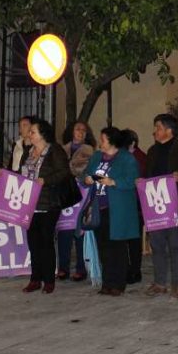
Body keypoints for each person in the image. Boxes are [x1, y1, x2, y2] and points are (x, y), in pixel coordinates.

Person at [143, 113, 178, 299]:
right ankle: (160, 282)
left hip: (174, 202)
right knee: (156, 244)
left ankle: (176, 283)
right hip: (155, 203)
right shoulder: (152, 151)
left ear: (168, 130)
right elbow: (147, 175)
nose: (155, 131)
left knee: (174, 243)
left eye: (157, 127)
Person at [81, 126, 140, 296]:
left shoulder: (126, 158)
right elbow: (86, 174)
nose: (101, 142)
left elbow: (132, 180)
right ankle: (107, 282)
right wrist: (87, 179)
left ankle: (118, 284)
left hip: (118, 209)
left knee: (117, 246)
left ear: (112, 141)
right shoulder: (97, 157)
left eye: (103, 139)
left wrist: (113, 182)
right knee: (103, 246)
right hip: (98, 208)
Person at [20, 119, 71, 293]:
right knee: (33, 242)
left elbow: (64, 172)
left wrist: (46, 180)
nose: (29, 134)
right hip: (29, 203)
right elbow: (21, 172)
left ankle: (49, 280)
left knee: (46, 240)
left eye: (33, 131)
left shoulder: (54, 150)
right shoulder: (28, 151)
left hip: (48, 202)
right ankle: (35, 278)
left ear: (43, 134)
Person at [58, 120, 95, 281]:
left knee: (79, 230)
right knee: (63, 230)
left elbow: (87, 170)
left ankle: (81, 267)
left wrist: (69, 171)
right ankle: (63, 267)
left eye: (83, 130)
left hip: (82, 193)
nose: (80, 132)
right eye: (77, 129)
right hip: (65, 192)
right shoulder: (61, 149)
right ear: (71, 131)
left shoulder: (89, 151)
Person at [124, 128, 147, 284]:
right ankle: (128, 269)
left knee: (133, 239)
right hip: (126, 203)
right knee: (126, 238)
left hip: (136, 204)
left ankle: (135, 270)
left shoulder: (140, 158)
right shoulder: (127, 157)